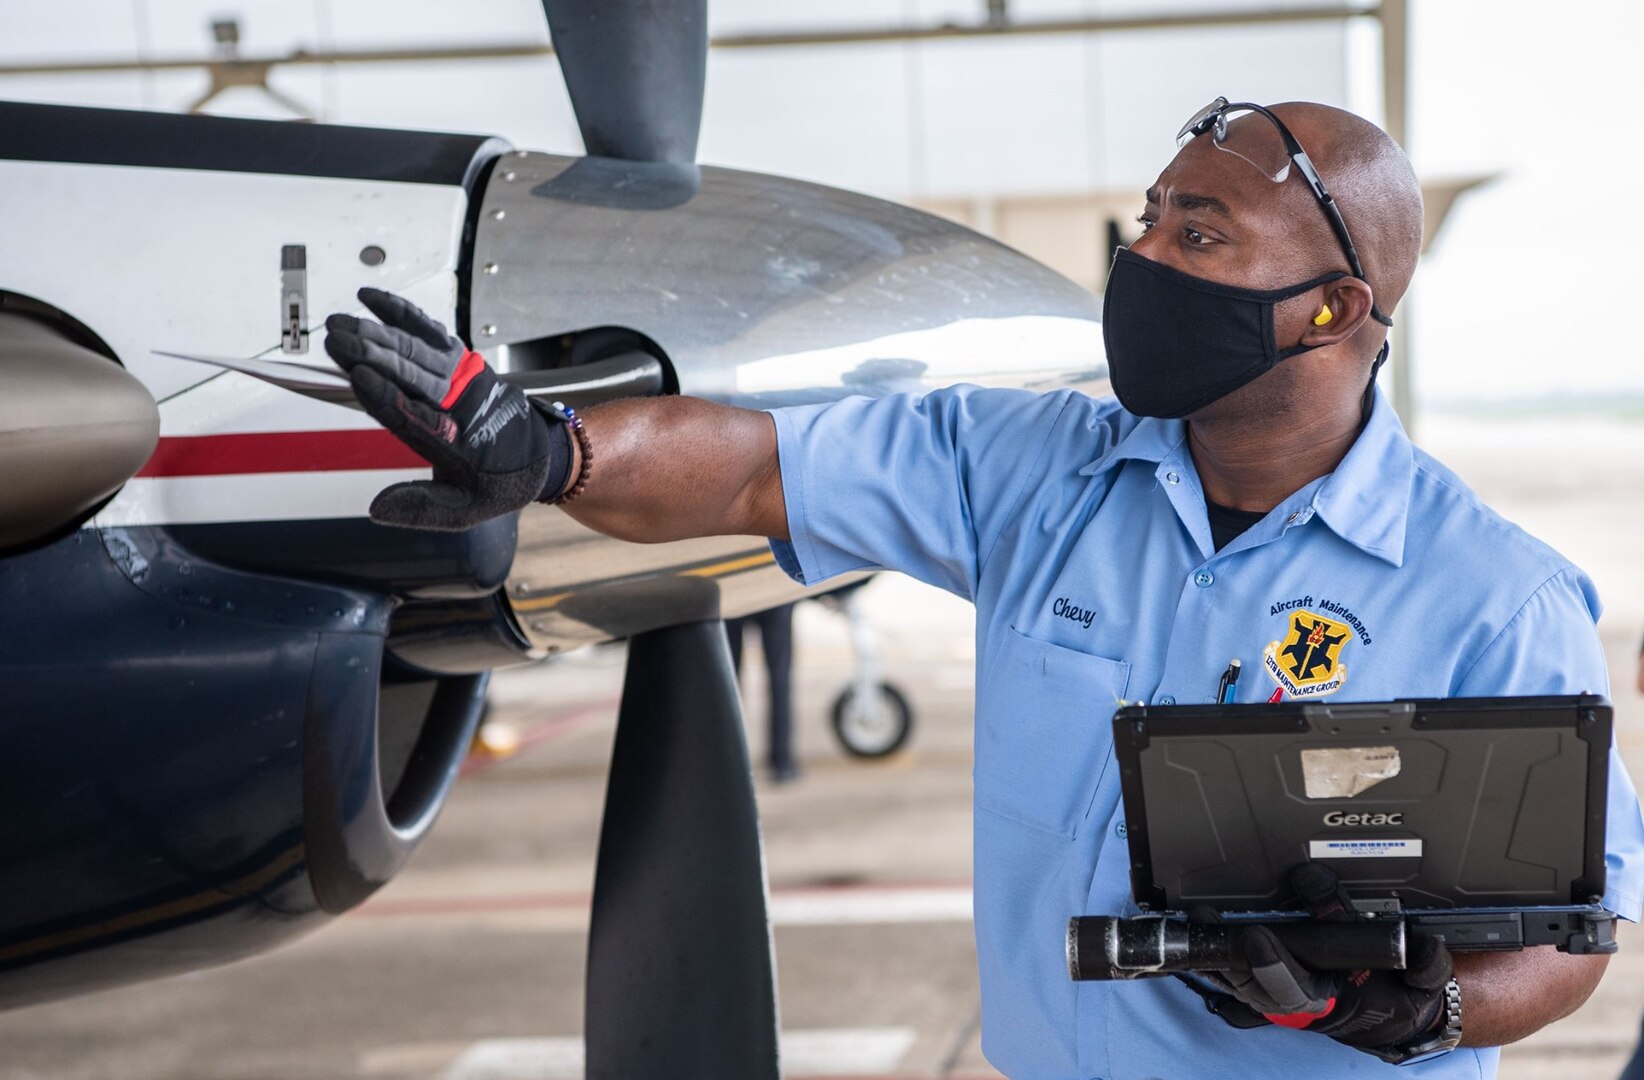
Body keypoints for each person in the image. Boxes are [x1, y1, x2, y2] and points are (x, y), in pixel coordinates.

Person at [322, 98, 1644, 1078]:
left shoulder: (1497, 601)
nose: (1146, 261)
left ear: (1334, 306)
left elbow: (1577, 939)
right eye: (1148, 222)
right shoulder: (1025, 469)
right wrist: (552, 451)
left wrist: (1432, 1009)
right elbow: (747, 471)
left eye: (1202, 233)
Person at [724, 602, 800, 783]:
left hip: (733, 593)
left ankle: (731, 763)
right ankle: (782, 762)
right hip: (774, 595)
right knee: (780, 679)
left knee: (728, 682)